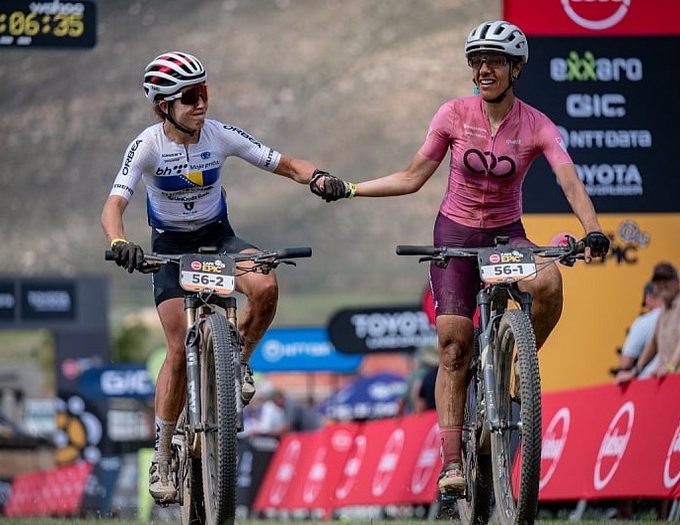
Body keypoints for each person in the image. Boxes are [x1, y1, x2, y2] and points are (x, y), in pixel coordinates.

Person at [309, 21, 609, 498]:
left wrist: (592, 230)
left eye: (495, 61)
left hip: (506, 234)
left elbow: (569, 181)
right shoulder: (453, 114)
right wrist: (350, 189)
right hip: (455, 232)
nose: (484, 69)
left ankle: (517, 365)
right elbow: (412, 177)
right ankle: (452, 462)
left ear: (516, 69)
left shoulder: (538, 125)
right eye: (476, 61)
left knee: (549, 281)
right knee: (453, 347)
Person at [100, 51, 330, 504]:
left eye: (203, 91)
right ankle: (163, 452)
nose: (201, 103)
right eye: (190, 96)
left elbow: (284, 163)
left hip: (218, 237)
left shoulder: (219, 134)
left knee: (265, 284)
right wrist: (119, 241)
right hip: (170, 247)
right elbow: (114, 204)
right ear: (164, 105)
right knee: (176, 349)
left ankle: (237, 361)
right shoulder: (147, 145)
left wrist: (319, 178)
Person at [616, 262, 680, 382]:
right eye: (658, 281)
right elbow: (653, 344)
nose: (662, 284)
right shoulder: (664, 311)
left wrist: (670, 367)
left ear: (676, 282)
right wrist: (636, 371)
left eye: (666, 280)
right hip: (669, 381)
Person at [613, 281, 663, 381]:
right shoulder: (674, 317)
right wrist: (671, 368)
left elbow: (625, 362)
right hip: (673, 377)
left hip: (649, 381)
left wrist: (635, 370)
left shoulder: (644, 322)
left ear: (648, 297)